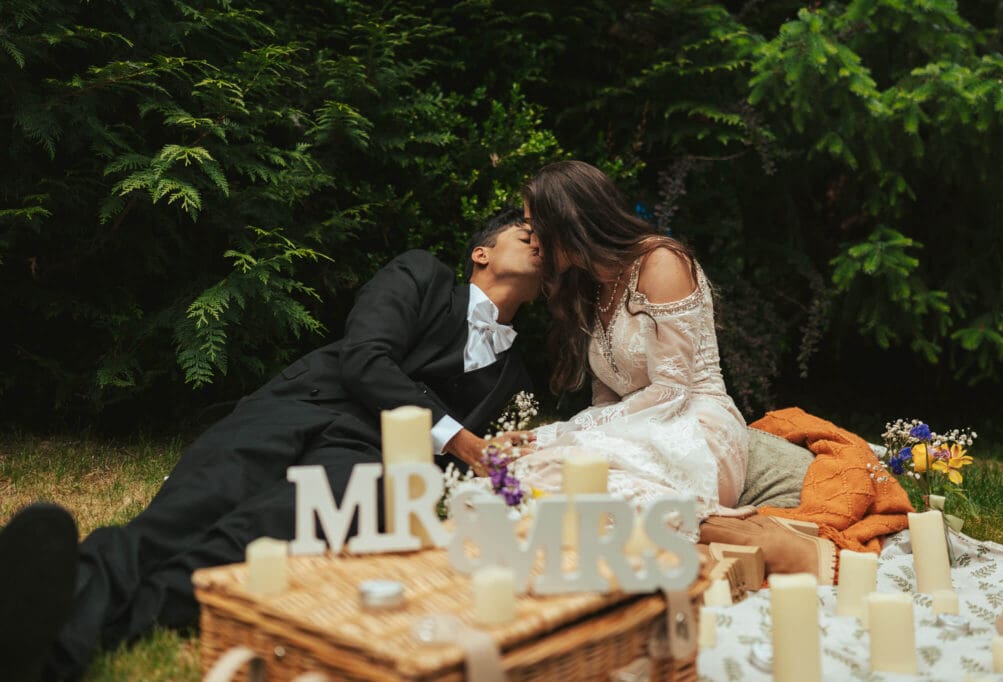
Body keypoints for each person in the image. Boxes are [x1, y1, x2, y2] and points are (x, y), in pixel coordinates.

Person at [2, 208, 542, 681]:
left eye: (546, 241)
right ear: (481, 253)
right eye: (525, 234)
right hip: (303, 406)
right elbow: (364, 358)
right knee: (187, 511)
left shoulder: (513, 376)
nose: (539, 241)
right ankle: (41, 615)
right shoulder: (421, 274)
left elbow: (482, 460)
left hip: (367, 461)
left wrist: (495, 452)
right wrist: (461, 439)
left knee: (251, 544)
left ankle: (48, 633)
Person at [512, 160, 750, 531]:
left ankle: (705, 518)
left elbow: (671, 390)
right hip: (638, 432)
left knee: (547, 474)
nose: (533, 242)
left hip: (694, 433)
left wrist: (573, 434)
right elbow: (606, 397)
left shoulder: (661, 262)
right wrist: (569, 439)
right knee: (522, 468)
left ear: (567, 221)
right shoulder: (589, 285)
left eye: (535, 229)